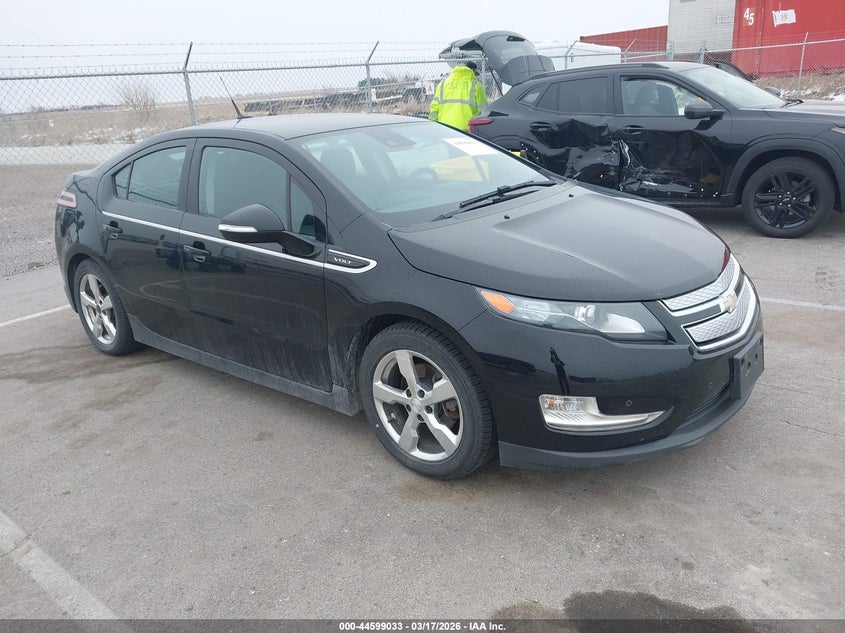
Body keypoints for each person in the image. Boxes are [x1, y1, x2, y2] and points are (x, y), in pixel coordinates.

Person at [428, 61, 487, 131]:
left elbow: (434, 109)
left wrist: (432, 127)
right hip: (467, 131)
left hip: (444, 129)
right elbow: (483, 111)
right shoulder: (476, 85)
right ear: (472, 71)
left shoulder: (443, 84)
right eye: (475, 74)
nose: (475, 77)